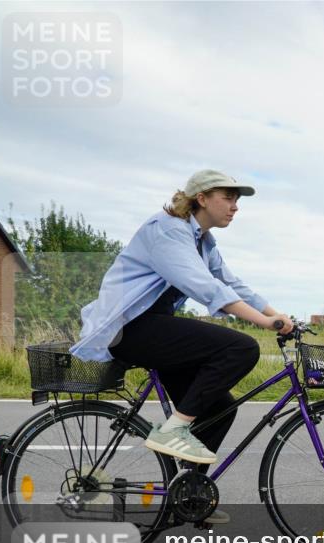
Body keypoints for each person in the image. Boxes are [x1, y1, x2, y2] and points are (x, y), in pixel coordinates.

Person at [70, 170, 294, 523]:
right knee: (242, 348)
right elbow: (205, 286)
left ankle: (188, 496)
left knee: (220, 406)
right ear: (202, 198)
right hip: (131, 328)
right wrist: (262, 323)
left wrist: (276, 313)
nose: (235, 207)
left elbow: (231, 282)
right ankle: (173, 430)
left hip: (153, 327)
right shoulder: (168, 230)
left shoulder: (203, 240)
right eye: (228, 197)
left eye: (238, 200)